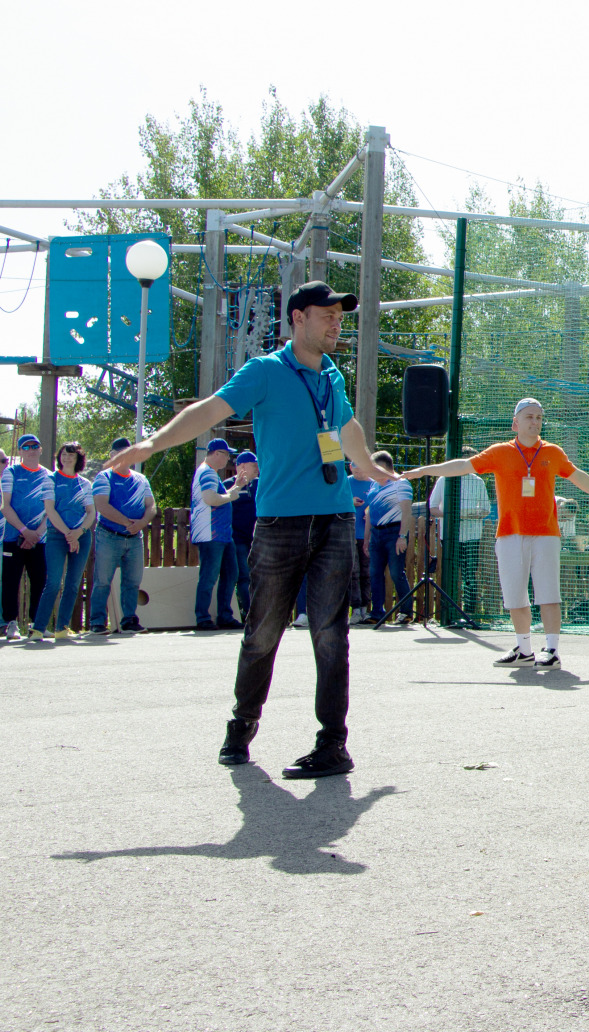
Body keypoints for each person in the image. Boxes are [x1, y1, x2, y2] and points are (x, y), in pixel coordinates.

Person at [108, 279, 397, 779]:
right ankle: (242, 725)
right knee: (262, 632)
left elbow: (346, 427)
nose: (336, 323)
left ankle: (333, 744)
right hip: (279, 523)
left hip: (334, 519)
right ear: (298, 318)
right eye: (327, 315)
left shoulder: (331, 375)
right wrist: (152, 444)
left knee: (332, 635)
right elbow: (210, 410)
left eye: (340, 317)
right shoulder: (264, 371)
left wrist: (367, 463)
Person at [402, 398, 589, 668]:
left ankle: (551, 651)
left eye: (539, 417)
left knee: (548, 592)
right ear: (515, 423)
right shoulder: (499, 452)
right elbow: (462, 466)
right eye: (528, 417)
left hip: (546, 534)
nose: (534, 422)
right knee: (515, 593)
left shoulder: (552, 452)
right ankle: (524, 651)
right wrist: (424, 471)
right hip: (509, 534)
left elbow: (576, 474)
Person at [89, 436, 157, 635]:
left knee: (132, 581)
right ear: (111, 456)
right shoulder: (104, 477)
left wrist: (142, 523)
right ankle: (97, 622)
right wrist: (128, 523)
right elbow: (101, 504)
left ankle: (129, 620)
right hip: (109, 535)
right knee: (102, 580)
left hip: (134, 537)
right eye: (118, 453)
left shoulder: (140, 479)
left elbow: (151, 505)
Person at [28, 442, 95, 641]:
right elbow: (50, 510)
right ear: (60, 457)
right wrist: (68, 534)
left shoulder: (84, 484)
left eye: (71, 455)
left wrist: (79, 532)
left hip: (81, 537)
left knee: (73, 584)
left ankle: (62, 628)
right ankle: (38, 628)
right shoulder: (51, 480)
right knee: (54, 582)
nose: (67, 458)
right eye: (64, 454)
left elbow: (91, 512)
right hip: (57, 536)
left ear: (78, 459)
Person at [2, 433, 53, 640]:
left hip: (40, 539)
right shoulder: (10, 473)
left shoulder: (49, 475)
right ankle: (11, 624)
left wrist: (37, 533)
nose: (31, 450)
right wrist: (25, 531)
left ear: (40, 449)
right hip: (14, 537)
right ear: (20, 451)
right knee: (11, 581)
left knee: (39, 580)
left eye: (35, 446)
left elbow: (51, 509)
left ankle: (36, 624)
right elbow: (5, 506)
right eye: (26, 447)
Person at [428, 448, 491, 616]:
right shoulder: (444, 479)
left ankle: (469, 613)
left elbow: (486, 509)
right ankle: (449, 613)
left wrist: (471, 515)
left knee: (470, 575)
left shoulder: (478, 481)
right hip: (449, 535)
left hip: (472, 536)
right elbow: (433, 508)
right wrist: (453, 515)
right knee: (450, 573)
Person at [190, 438, 244, 630]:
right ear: (216, 453)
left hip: (221, 533)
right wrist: (231, 495)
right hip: (211, 533)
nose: (228, 459)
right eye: (226, 454)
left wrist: (236, 486)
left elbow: (219, 496)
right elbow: (211, 498)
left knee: (230, 573)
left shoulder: (210, 473)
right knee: (210, 575)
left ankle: (224, 615)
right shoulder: (207, 473)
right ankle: (203, 617)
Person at [366, 453, 415, 625]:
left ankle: (406, 611)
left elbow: (407, 511)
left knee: (396, 572)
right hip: (376, 533)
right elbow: (369, 512)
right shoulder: (373, 485)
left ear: (384, 468)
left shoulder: (401, 484)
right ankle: (377, 612)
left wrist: (402, 536)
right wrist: (367, 539)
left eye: (374, 468)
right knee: (374, 573)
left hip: (394, 532)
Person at [230, 451, 260, 622]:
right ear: (241, 466)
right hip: (239, 539)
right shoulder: (229, 485)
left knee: (263, 577)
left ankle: (263, 613)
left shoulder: (261, 484)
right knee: (244, 577)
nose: (257, 467)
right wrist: (237, 487)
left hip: (259, 539)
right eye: (253, 464)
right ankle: (249, 614)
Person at [346, 465, 373, 624]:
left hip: (366, 535)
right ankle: (355, 609)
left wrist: (370, 513)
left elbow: (377, 505)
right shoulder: (346, 483)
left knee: (366, 572)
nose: (357, 470)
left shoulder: (373, 484)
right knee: (353, 572)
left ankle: (365, 608)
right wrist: (350, 502)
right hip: (350, 534)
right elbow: (336, 499)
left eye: (360, 467)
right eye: (354, 467)